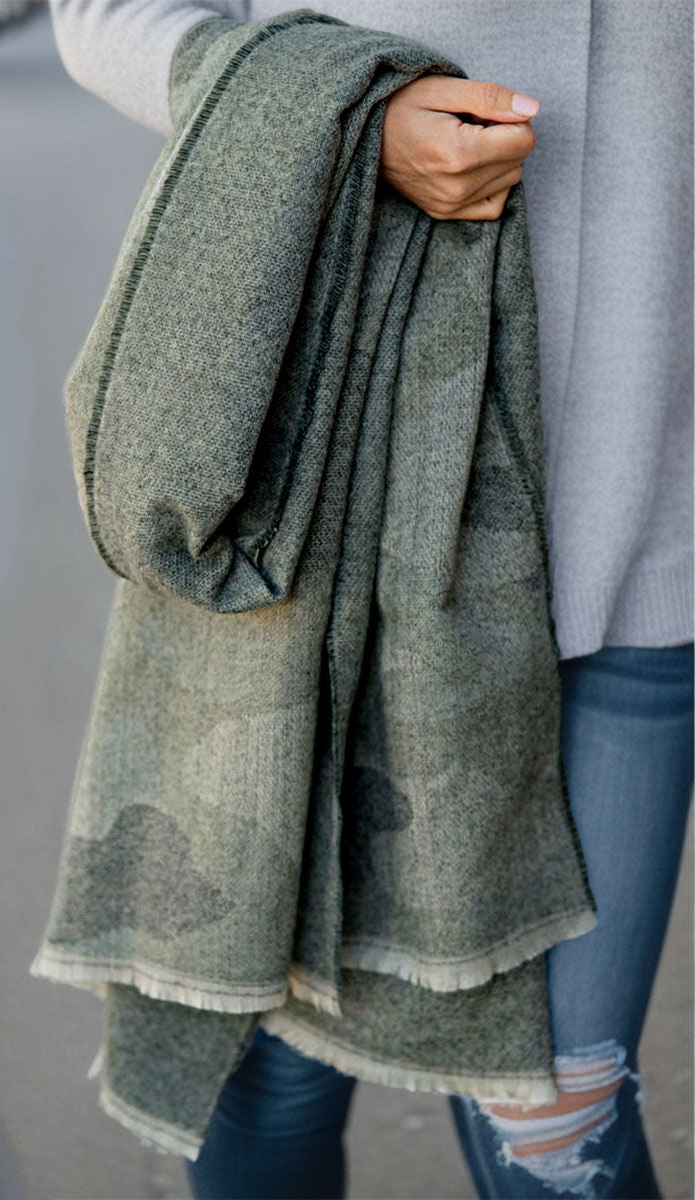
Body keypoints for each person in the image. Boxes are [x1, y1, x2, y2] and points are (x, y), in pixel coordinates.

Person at [45, 1, 694, 1197]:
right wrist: (355, 121)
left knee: (556, 1123)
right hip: (338, 508)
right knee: (274, 1066)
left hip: (650, 528)